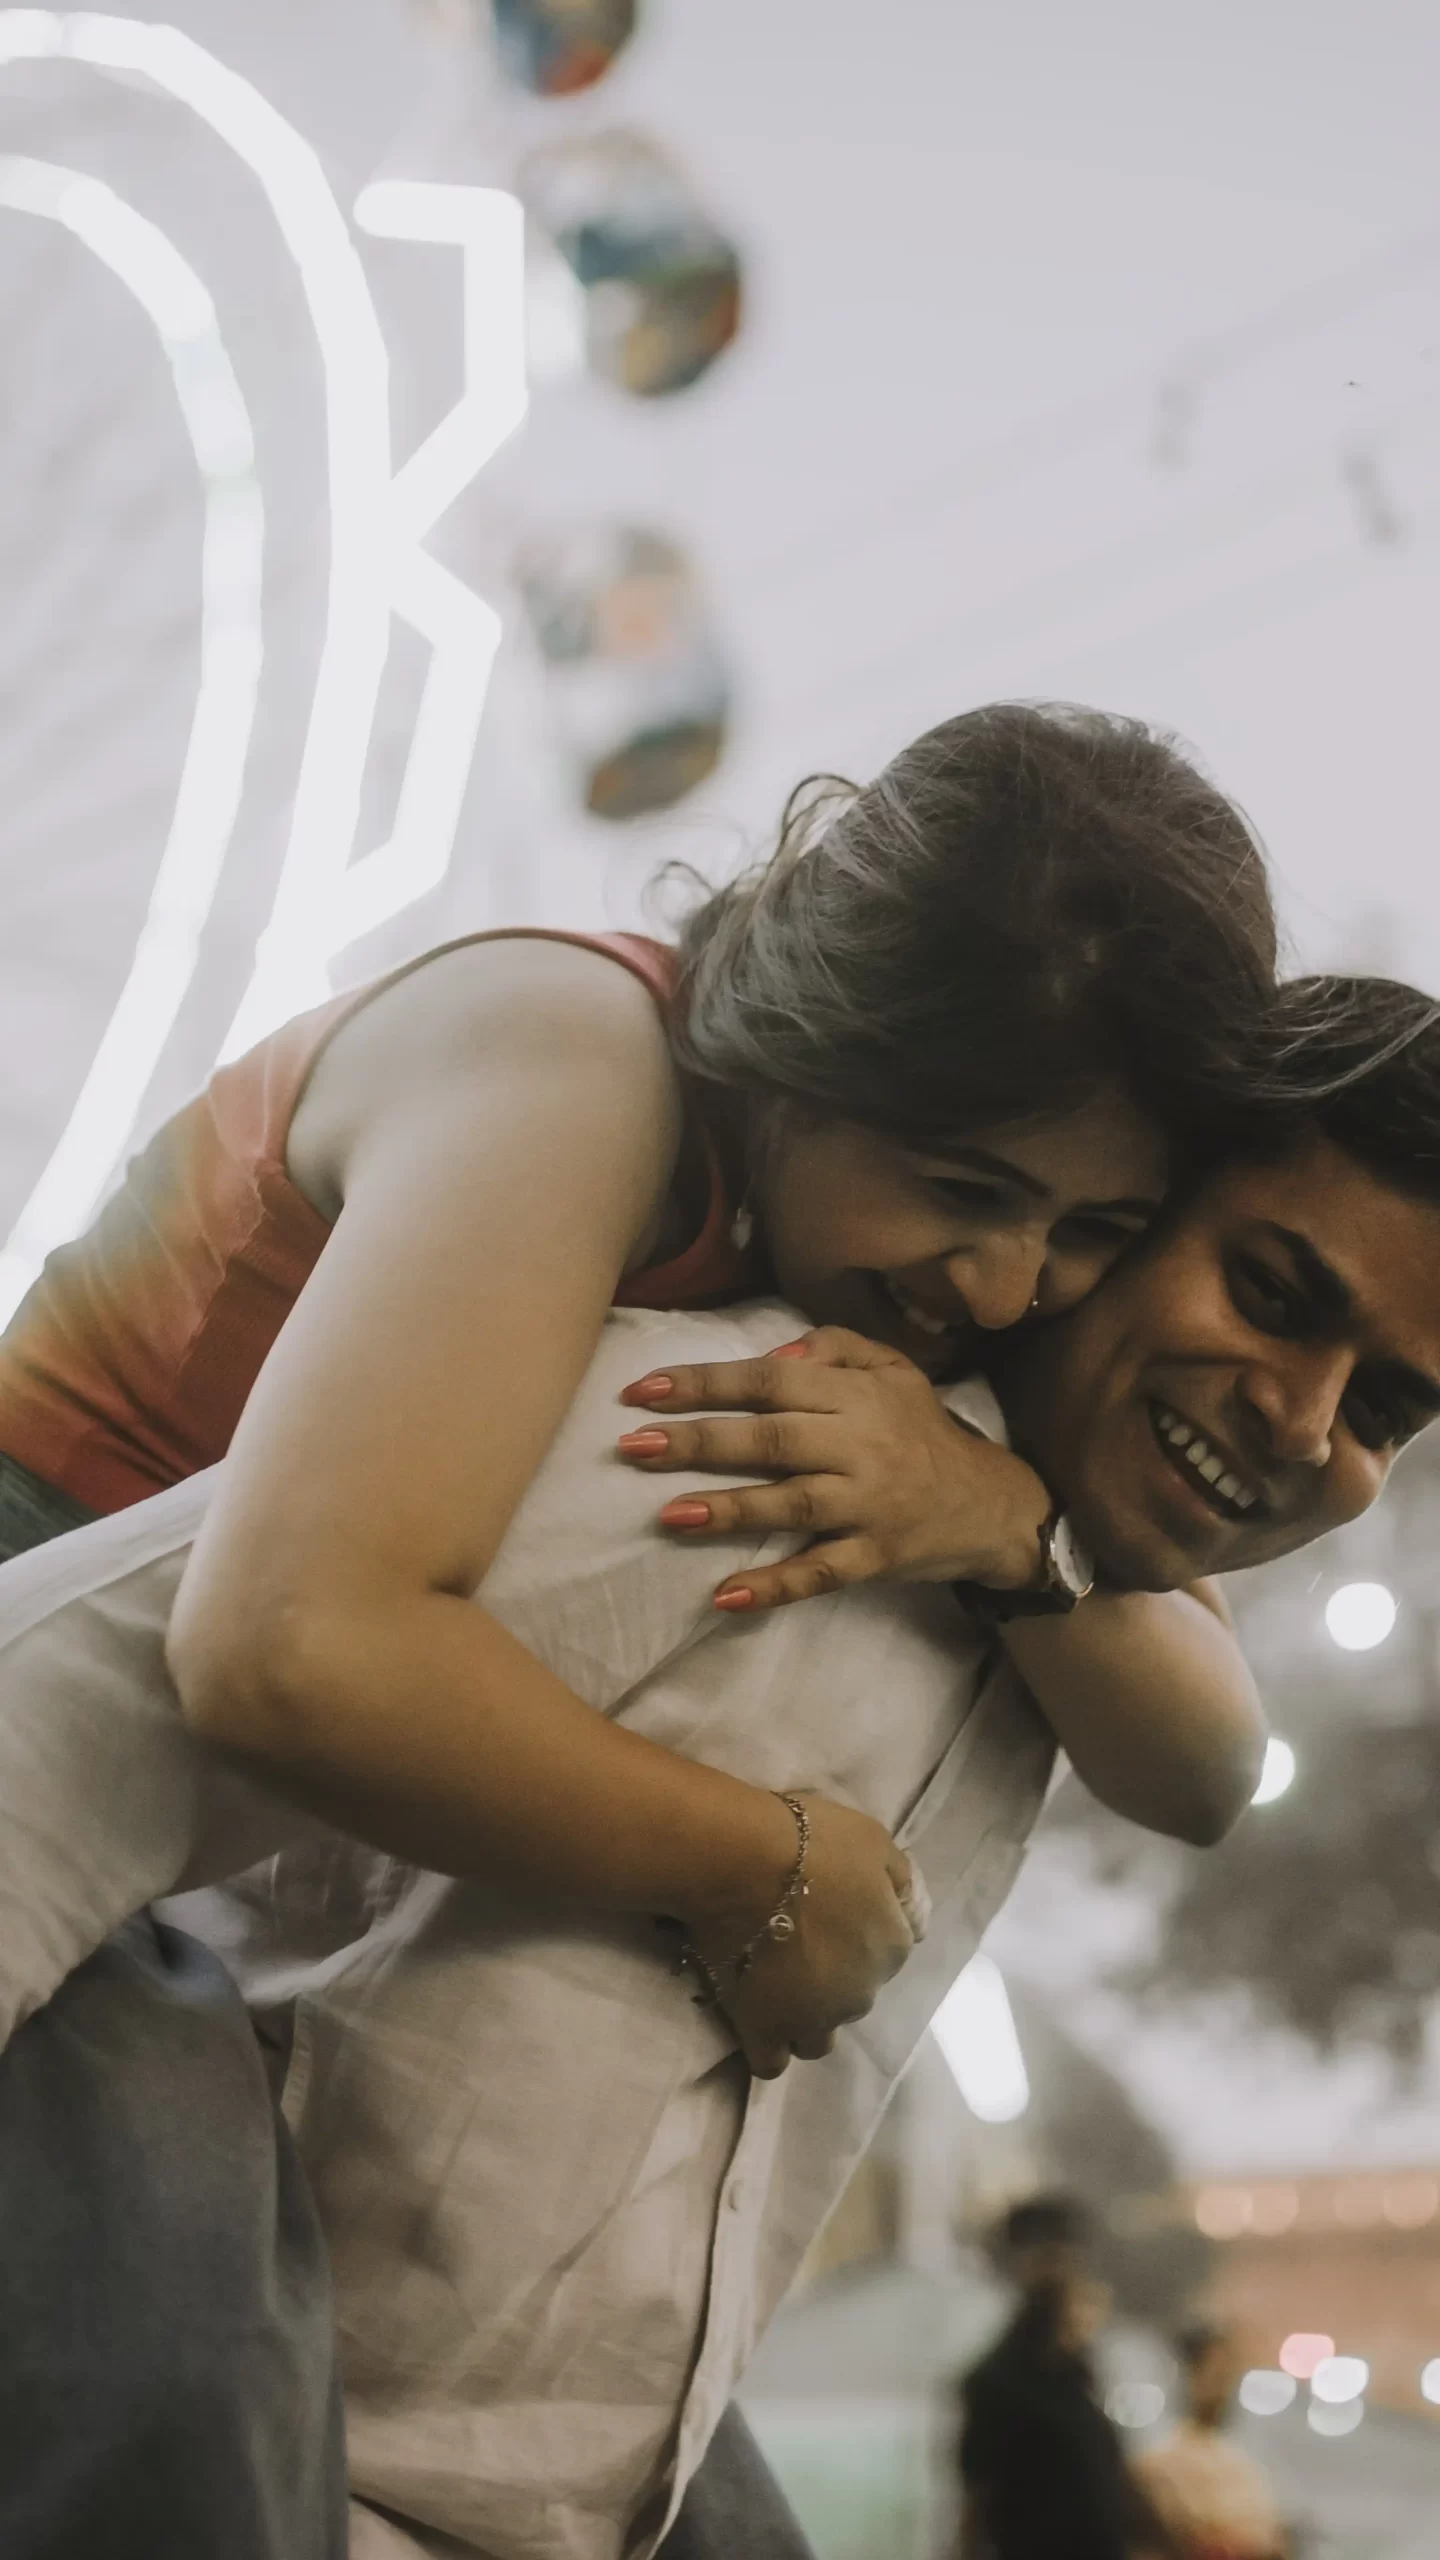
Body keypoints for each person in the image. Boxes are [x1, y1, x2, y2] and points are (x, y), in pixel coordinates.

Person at [0, 702, 1285, 2550]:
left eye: (1091, 1232)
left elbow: (1207, 1748)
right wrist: (760, 1865)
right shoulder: (569, 1057)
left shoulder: (915, 1282)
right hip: (66, 1677)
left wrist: (1013, 1523)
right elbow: (287, 1645)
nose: (1005, 1285)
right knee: (183, 2368)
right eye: (965, 1191)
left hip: (235, 1828)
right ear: (801, 1045)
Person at [957, 2195, 1162, 2560]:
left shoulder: (1082, 2374)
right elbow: (977, 2496)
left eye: (1067, 2257)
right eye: (1047, 2257)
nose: (1062, 2271)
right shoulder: (996, 2380)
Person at [1135, 2323, 1289, 2560]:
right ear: (1188, 2373)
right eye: (1215, 2371)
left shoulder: (1238, 2452)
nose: (1223, 2384)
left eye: (1229, 2373)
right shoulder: (1161, 2457)